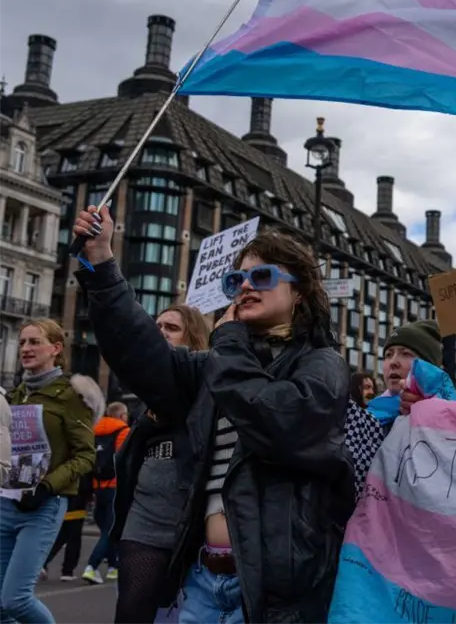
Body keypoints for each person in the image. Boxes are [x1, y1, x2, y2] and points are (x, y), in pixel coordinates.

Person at [73, 206, 355, 624]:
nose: (244, 287)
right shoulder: (218, 361)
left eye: (261, 277)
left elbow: (277, 421)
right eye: (235, 279)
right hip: (204, 582)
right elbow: (142, 351)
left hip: (274, 591)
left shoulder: (320, 363)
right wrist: (101, 262)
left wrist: (227, 341)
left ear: (299, 292)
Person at [110, 304, 209, 624]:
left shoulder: (209, 393)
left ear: (193, 340)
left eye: (172, 328)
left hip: (194, 532)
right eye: (158, 326)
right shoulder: (146, 405)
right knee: (131, 612)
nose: (161, 333)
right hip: (143, 527)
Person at [2, 320, 104, 624]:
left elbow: (86, 456)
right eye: (22, 343)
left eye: (34, 342)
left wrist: (47, 486)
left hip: (44, 504)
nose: (26, 349)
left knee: (15, 599)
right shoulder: (14, 395)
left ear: (56, 349)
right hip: (7, 501)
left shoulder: (73, 394)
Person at [81, 401, 130, 585]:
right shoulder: (123, 431)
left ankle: (112, 566)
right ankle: (92, 566)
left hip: (97, 484)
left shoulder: (95, 431)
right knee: (111, 528)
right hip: (115, 485)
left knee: (106, 525)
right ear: (121, 416)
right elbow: (125, 461)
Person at [366, 320, 444, 429]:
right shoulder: (365, 419)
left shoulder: (447, 419)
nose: (393, 362)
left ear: (428, 368)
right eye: (388, 355)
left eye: (406, 354)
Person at [41, 475, 91, 582]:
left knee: (61, 535)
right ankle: (67, 571)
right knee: (74, 536)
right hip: (78, 496)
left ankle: (42, 562)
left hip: (63, 495)